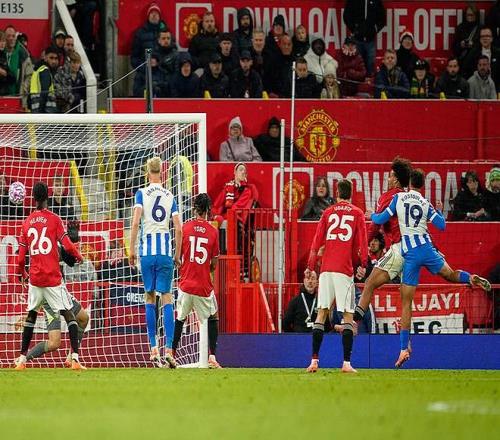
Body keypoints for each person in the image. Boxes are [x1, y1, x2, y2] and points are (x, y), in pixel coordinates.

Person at [370, 169, 491, 367]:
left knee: (406, 303)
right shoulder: (425, 202)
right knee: (450, 274)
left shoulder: (399, 198)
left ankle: (403, 349)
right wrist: (439, 210)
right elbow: (442, 225)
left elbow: (380, 219)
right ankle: (470, 278)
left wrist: (372, 215)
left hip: (411, 254)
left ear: (409, 182)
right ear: (422, 185)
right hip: (427, 248)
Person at [14, 181, 84, 370]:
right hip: (52, 280)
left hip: (36, 280)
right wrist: (79, 256)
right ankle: (75, 359)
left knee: (31, 315)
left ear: (33, 198)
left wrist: (22, 273)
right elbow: (68, 246)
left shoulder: (26, 223)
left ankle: (21, 359)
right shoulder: (54, 220)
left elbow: (20, 259)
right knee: (68, 315)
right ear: (48, 196)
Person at [305, 179, 368, 373]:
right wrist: (363, 264)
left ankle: (314, 361)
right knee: (348, 315)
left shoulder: (327, 212)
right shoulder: (357, 213)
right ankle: (346, 363)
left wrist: (310, 265)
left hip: (326, 270)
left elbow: (316, 241)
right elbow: (362, 242)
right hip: (343, 270)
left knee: (321, 313)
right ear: (351, 194)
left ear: (337, 193)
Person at [129, 157, 182, 368]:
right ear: (162, 172)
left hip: (147, 253)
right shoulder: (170, 196)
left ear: (147, 173)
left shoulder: (141, 193)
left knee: (149, 297)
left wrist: (131, 250)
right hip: (165, 253)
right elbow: (178, 228)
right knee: (167, 297)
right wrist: (177, 255)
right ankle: (169, 349)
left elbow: (135, 222)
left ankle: (153, 348)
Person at [353, 157, 412, 323]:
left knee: (370, 283)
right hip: (417, 250)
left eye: (390, 176)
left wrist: (364, 245)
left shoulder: (388, 197)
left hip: (399, 249)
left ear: (396, 180)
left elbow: (374, 226)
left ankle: (354, 323)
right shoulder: (411, 198)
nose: (388, 179)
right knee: (407, 300)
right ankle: (468, 278)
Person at [172, 193, 221, 368]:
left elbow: (179, 257)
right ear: (208, 210)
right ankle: (212, 357)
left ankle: (171, 353)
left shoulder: (185, 228)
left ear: (194, 209)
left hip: (185, 284)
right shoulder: (213, 232)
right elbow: (214, 263)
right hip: (203, 286)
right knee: (213, 317)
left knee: (180, 318)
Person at [343, 0, 386, 76]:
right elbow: (346, 15)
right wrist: (354, 29)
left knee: (371, 67)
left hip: (370, 40)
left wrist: (375, 29)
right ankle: (358, 83)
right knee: (357, 66)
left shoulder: (376, 1)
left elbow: (382, 17)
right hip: (356, 40)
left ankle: (370, 83)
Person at [130, 2, 168, 69]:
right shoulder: (140, 34)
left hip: (162, 72)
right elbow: (134, 58)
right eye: (152, 13)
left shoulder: (166, 32)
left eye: (156, 13)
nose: (154, 15)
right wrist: (145, 67)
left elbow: (173, 54)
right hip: (145, 72)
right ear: (148, 16)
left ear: (159, 17)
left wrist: (160, 62)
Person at [462, 26, 500, 91]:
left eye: (487, 36)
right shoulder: (473, 53)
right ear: (480, 39)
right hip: (477, 89)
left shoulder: (498, 53)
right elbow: (466, 71)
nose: (485, 38)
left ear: (492, 38)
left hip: (495, 88)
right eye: (482, 36)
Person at [30, 46, 59, 113]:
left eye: (56, 58)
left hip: (36, 110)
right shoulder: (45, 71)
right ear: (45, 58)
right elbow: (44, 94)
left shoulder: (37, 70)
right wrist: (41, 114)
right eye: (51, 58)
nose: (54, 61)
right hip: (46, 113)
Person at [0, 31, 15, 95]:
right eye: (0, 41)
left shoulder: (4, 55)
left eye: (3, 41)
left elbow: (12, 78)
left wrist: (5, 73)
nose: (2, 44)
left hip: (4, 93)